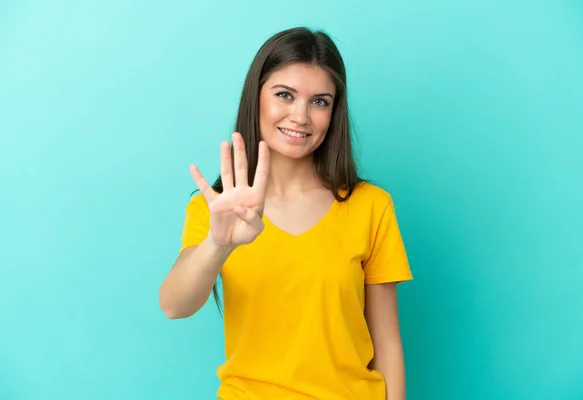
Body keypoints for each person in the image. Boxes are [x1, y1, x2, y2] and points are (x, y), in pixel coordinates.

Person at [159, 27, 413, 400]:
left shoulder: (370, 205)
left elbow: (387, 346)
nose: (301, 116)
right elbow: (174, 306)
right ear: (256, 98)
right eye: (284, 95)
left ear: (334, 112)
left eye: (320, 101)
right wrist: (218, 243)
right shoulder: (217, 208)